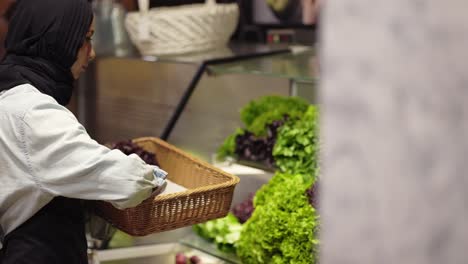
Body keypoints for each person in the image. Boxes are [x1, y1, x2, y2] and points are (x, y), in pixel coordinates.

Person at [0, 0, 167, 263]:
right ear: (58, 40)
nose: (91, 53)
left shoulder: (9, 93)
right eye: (86, 39)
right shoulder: (34, 115)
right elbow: (129, 182)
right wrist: (162, 179)